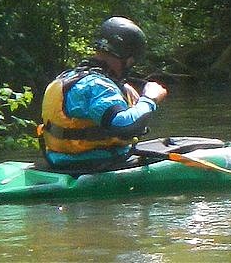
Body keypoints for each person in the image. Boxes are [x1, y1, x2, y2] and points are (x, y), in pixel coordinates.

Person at [37, 16, 168, 172]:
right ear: (126, 58)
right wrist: (150, 98)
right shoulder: (98, 86)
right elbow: (125, 126)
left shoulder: (68, 77)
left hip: (59, 161)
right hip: (92, 164)